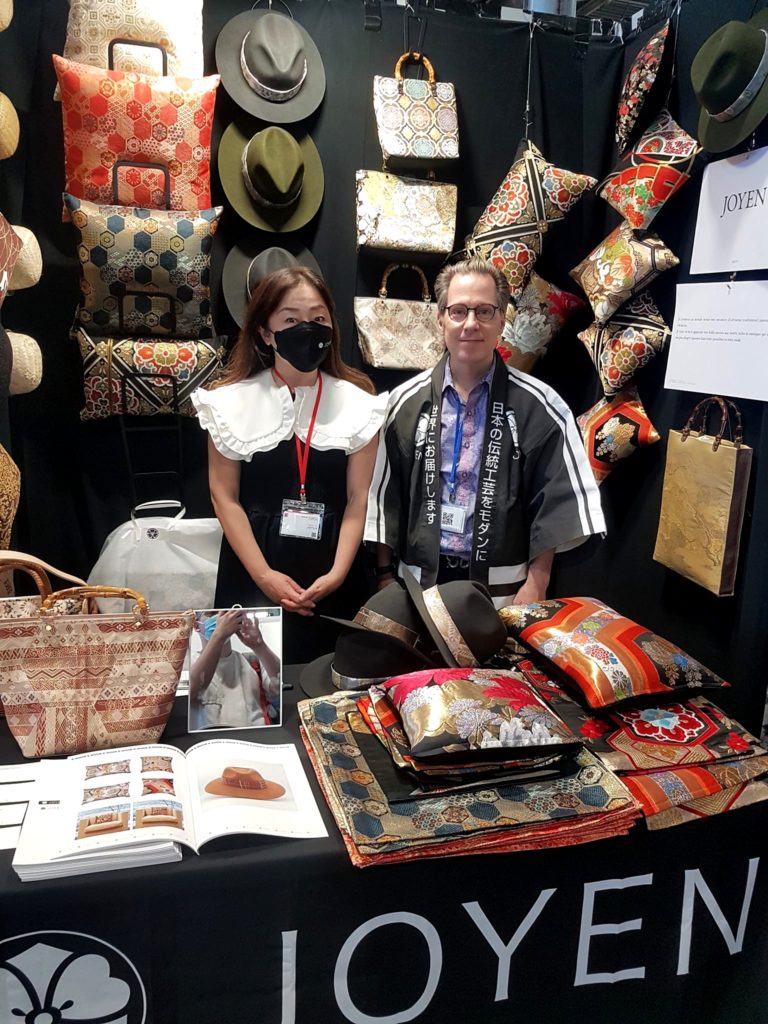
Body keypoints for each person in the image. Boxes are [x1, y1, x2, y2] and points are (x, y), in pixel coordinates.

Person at [365, 256, 605, 608]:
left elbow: (554, 504)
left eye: (484, 311)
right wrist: (384, 576)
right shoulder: (404, 403)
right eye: (458, 311)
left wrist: (537, 585)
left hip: (502, 591)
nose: (470, 324)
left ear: (502, 319)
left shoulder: (541, 406)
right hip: (416, 586)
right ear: (440, 319)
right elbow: (385, 496)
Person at [192, 267, 386, 661]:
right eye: (291, 320)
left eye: (318, 319)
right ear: (265, 332)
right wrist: (264, 577)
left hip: (334, 573)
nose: (307, 329)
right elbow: (223, 497)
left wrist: (336, 575)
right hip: (253, 568)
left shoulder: (360, 403)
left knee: (338, 693)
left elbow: (357, 499)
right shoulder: (227, 402)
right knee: (250, 696)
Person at [189, 609, 281, 730]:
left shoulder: (252, 661)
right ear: (196, 626)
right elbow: (194, 690)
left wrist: (259, 645)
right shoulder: (190, 665)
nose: (222, 618)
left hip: (256, 741)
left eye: (227, 612)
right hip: (212, 743)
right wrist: (219, 636)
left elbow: (278, 687)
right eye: (212, 614)